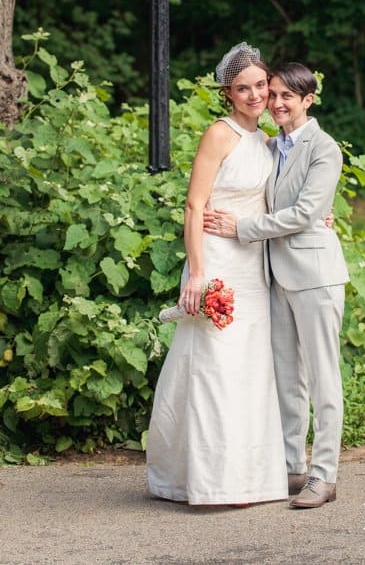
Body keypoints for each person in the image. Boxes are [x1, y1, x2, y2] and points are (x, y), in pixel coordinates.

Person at [146, 43, 288, 506]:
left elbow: (278, 202)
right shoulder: (220, 134)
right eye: (243, 88)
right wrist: (197, 274)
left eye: (261, 86)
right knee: (215, 367)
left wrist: (316, 216)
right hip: (218, 262)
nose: (254, 95)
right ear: (228, 92)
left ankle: (249, 476)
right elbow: (195, 205)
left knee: (250, 368)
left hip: (253, 265)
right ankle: (211, 479)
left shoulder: (266, 141)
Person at [204, 62, 349, 509]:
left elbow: (307, 212)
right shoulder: (270, 145)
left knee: (323, 380)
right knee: (288, 379)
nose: (279, 102)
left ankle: (325, 477)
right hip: (274, 276)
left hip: (315, 277)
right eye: (276, 94)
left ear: (309, 100)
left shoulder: (324, 149)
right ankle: (293, 467)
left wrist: (242, 227)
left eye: (290, 96)